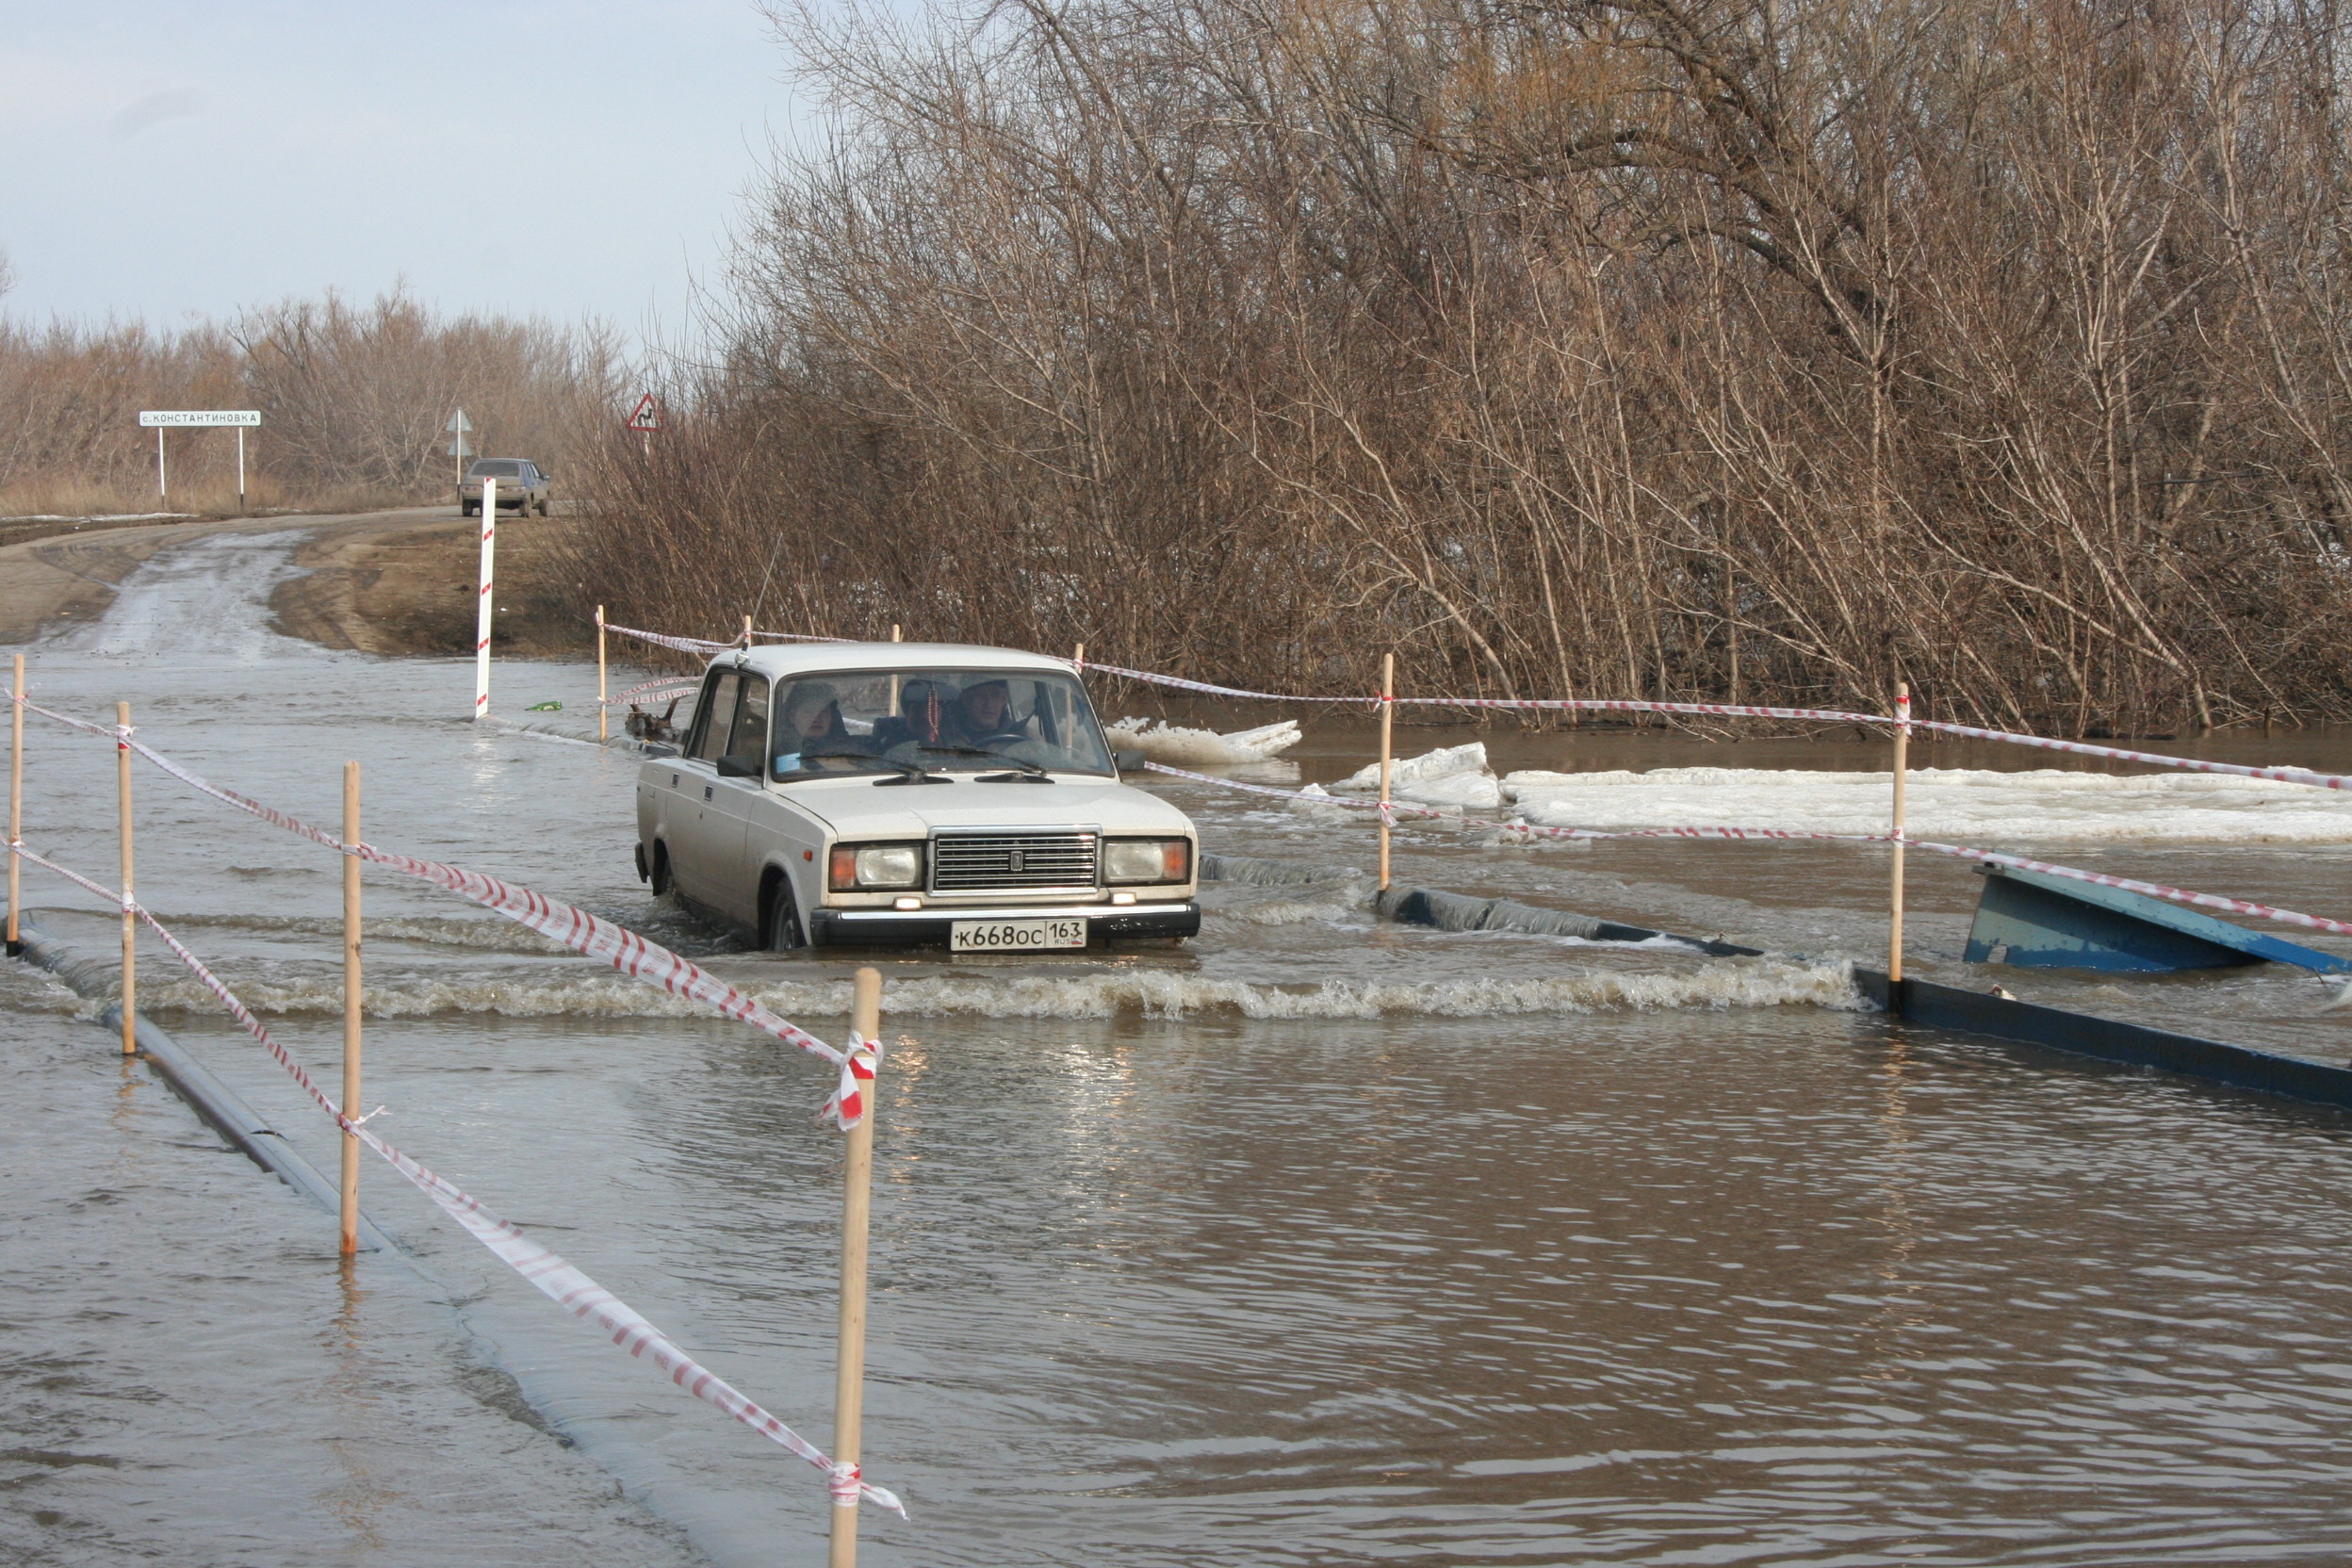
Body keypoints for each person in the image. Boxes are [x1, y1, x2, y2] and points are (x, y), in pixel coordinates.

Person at [774, 682, 866, 775]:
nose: (816, 718)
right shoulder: (776, 750)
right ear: (792, 716)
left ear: (832, 717)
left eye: (823, 711)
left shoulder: (852, 751)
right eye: (809, 711)